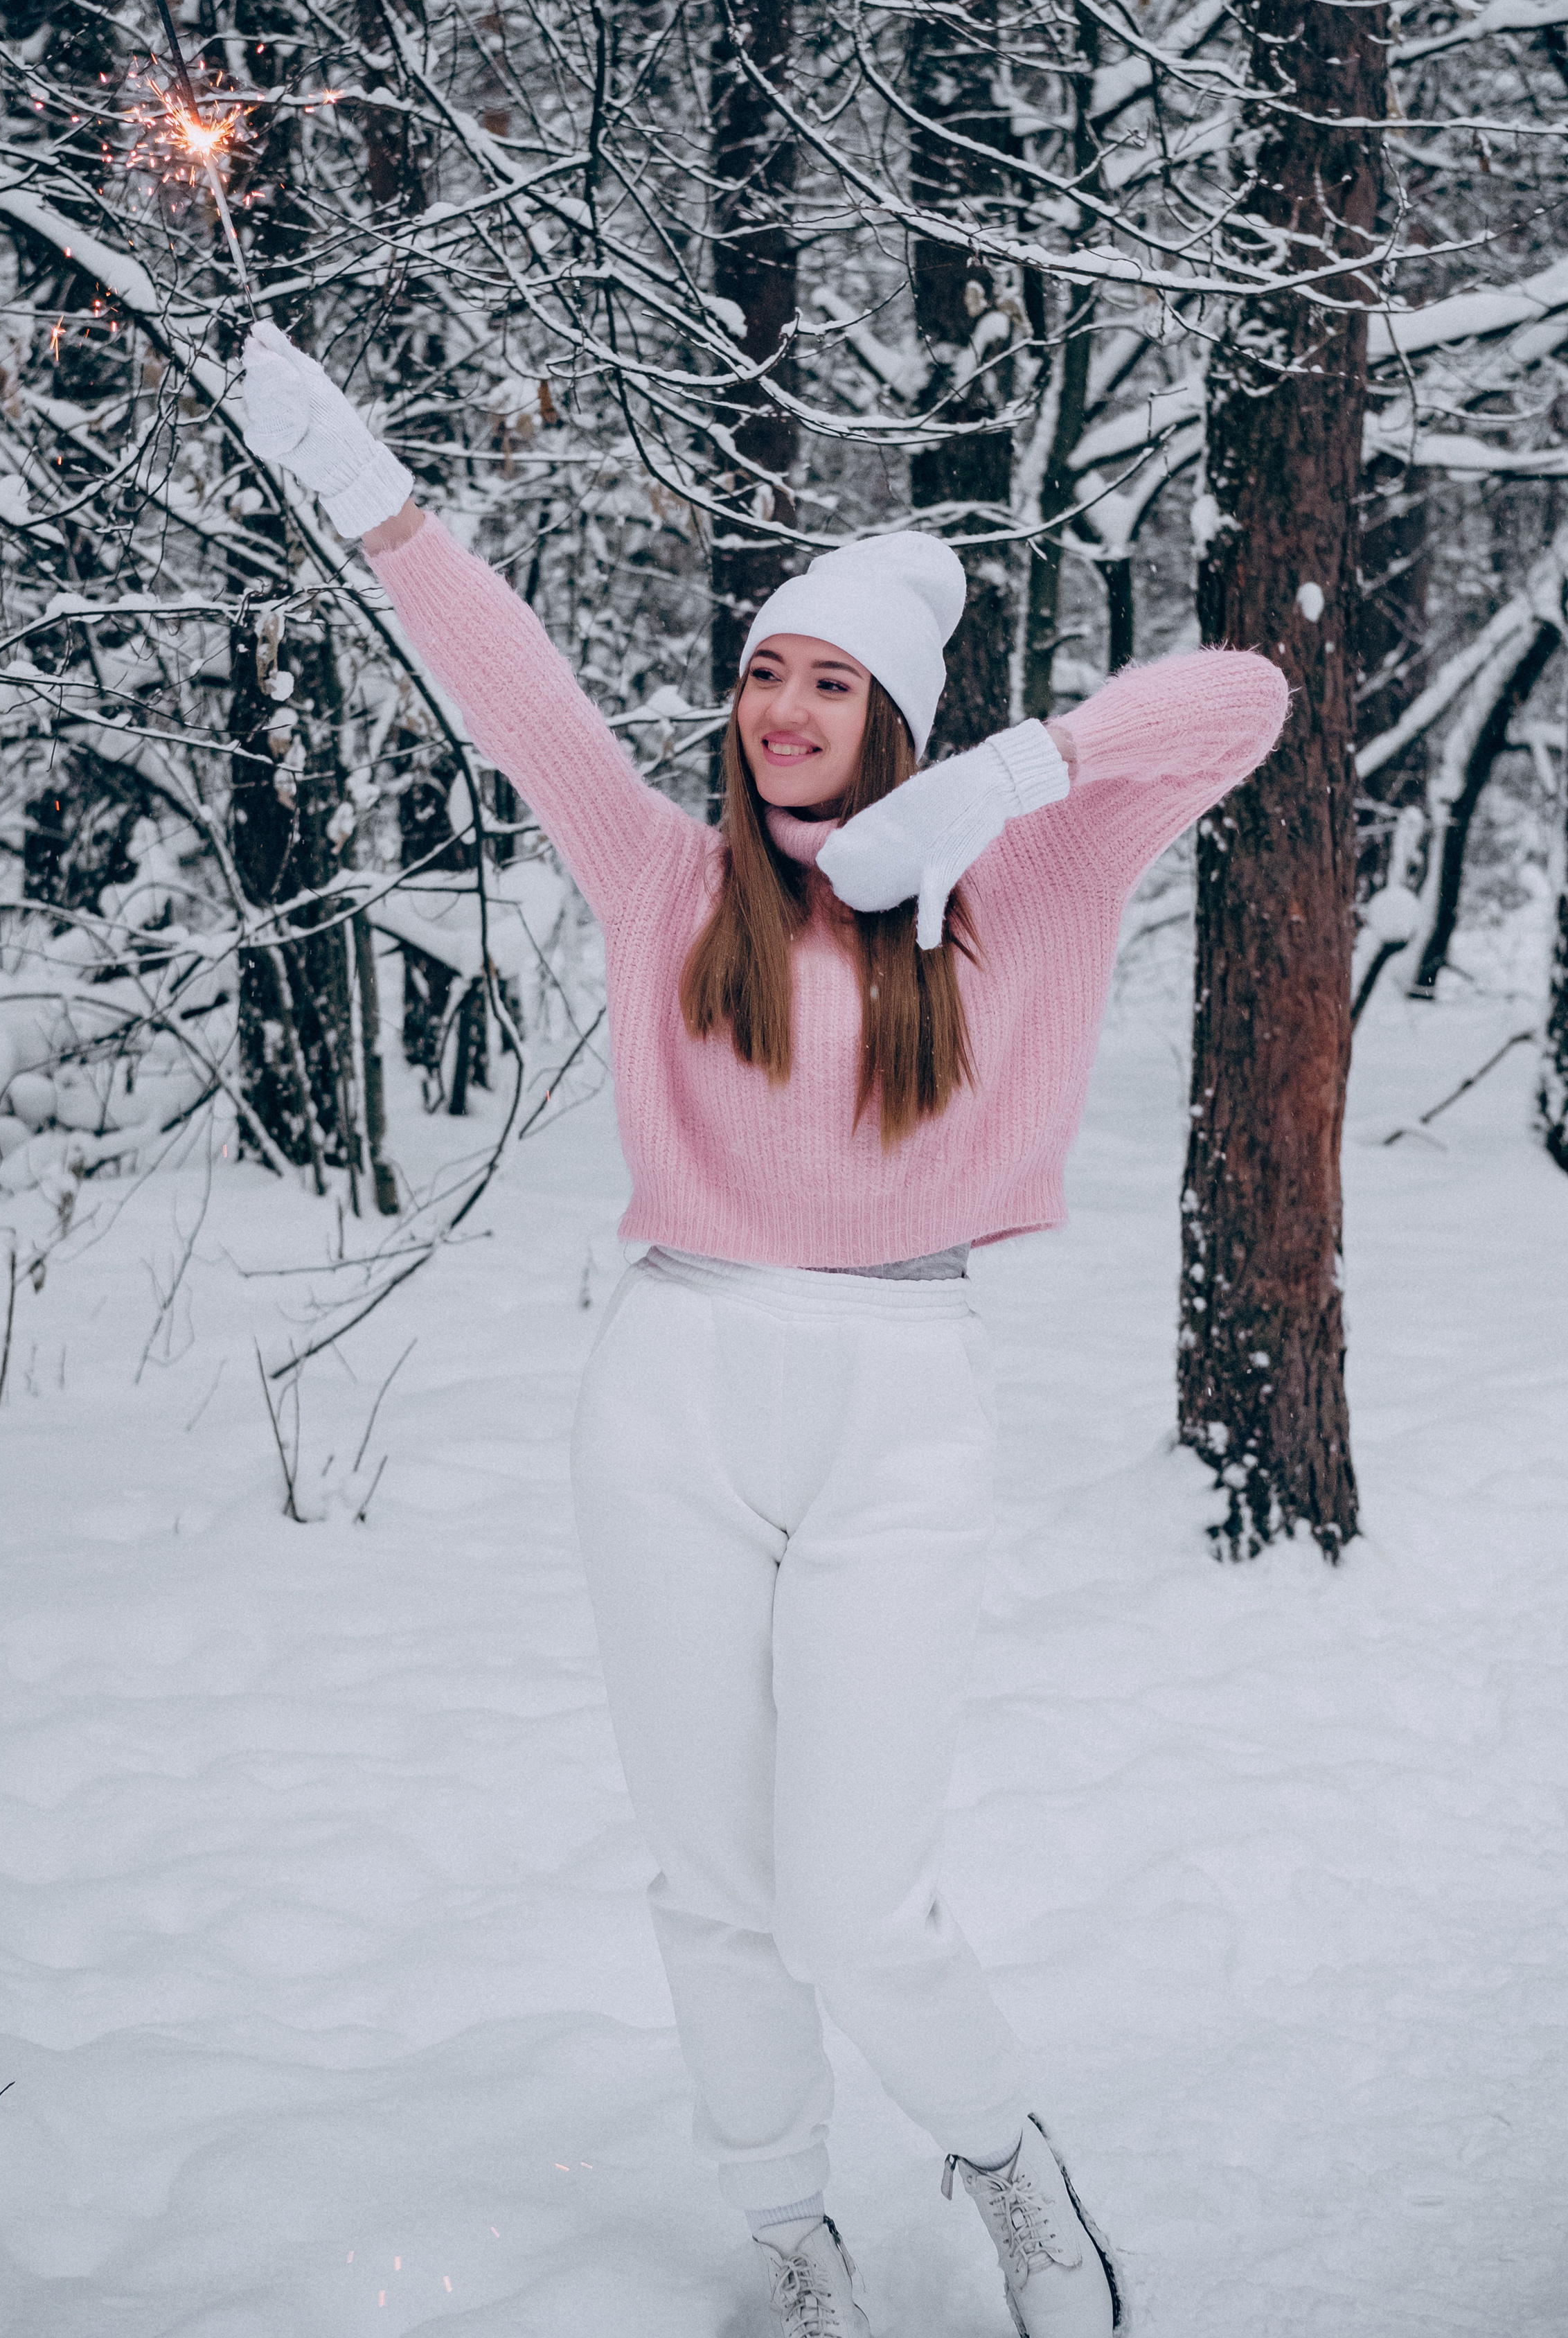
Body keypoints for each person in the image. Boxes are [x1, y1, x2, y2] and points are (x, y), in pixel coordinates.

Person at [240, 323, 1288, 2338]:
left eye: (832, 680)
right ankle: (790, 2237)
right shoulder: (666, 883)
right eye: (765, 675)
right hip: (674, 1391)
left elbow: (1245, 704)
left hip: (901, 1404)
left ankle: (1006, 2168)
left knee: (858, 1906)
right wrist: (371, 498)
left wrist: (1006, 782)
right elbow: (513, 685)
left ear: (894, 716)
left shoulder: (1033, 885)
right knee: (711, 1890)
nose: (785, 707)